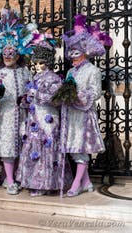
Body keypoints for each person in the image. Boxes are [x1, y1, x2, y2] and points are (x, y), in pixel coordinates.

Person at [0, 8, 36, 195]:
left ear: (18, 54)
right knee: (8, 146)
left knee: (22, 145)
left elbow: (32, 91)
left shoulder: (25, 72)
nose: (8, 56)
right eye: (5, 53)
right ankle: (9, 179)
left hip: (23, 115)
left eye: (12, 52)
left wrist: (28, 99)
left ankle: (20, 177)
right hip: (5, 116)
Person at [58, 14, 112, 197]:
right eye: (70, 52)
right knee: (73, 149)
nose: (72, 56)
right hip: (70, 115)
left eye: (76, 52)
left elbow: (96, 92)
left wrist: (79, 96)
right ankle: (87, 182)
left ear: (85, 52)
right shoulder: (70, 72)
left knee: (80, 150)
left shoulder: (93, 70)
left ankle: (76, 184)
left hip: (83, 115)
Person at [16, 34, 73, 196]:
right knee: (34, 149)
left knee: (47, 149)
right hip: (34, 120)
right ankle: (35, 182)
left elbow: (56, 100)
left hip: (48, 119)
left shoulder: (54, 78)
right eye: (36, 63)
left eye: (42, 63)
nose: (38, 66)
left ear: (48, 62)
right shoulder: (34, 77)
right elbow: (30, 100)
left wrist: (38, 94)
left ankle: (47, 184)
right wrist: (25, 100)